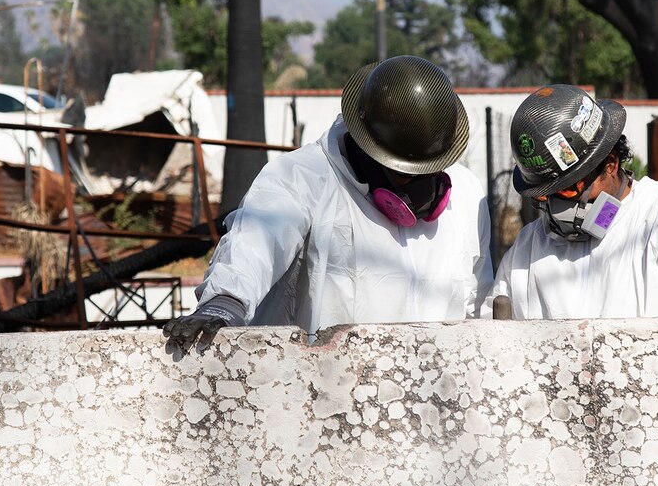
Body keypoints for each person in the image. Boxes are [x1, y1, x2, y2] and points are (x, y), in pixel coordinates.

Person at [164, 56, 494, 352]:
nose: (420, 189)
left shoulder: (465, 191)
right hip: (324, 394)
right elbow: (256, 243)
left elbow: (478, 298)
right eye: (405, 174)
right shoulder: (301, 177)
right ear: (368, 147)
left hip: (435, 400)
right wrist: (225, 300)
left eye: (428, 171)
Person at [492, 85, 658, 319]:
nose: (557, 207)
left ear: (610, 164)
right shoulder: (527, 248)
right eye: (544, 195)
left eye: (568, 190)